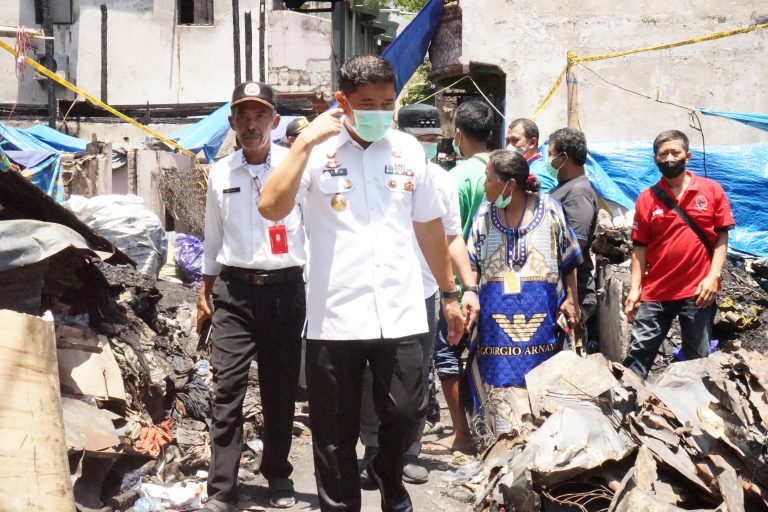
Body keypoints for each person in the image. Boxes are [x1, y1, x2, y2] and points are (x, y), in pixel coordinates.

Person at [258, 55, 468, 512]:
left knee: (407, 410)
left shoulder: (408, 150)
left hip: (402, 309)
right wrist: (302, 144)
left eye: (387, 103)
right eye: (367, 103)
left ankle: (387, 473)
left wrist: (450, 292)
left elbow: (429, 225)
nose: (379, 112)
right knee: (334, 436)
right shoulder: (315, 152)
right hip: (335, 316)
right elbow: (271, 207)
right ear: (343, 101)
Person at [196, 82, 306, 511]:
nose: (251, 124)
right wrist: (204, 292)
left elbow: (313, 232)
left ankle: (277, 473)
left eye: (260, 115)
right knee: (226, 389)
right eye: (243, 115)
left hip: (285, 292)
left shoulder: (296, 168)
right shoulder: (221, 172)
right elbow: (212, 238)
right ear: (232, 122)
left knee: (280, 389)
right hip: (234, 293)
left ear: (274, 121)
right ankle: (222, 489)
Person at [358, 103, 480, 485]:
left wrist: (467, 288)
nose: (426, 145)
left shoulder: (442, 181)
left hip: (423, 293)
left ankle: (408, 451)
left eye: (432, 138)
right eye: (419, 138)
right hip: (376, 291)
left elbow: (453, 238)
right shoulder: (375, 172)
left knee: (415, 377)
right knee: (369, 377)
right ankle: (373, 449)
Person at [468, 149, 582, 434]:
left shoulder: (550, 209)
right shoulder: (484, 213)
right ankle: (501, 441)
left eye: (488, 178)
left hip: (542, 319)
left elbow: (569, 260)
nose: (484, 185)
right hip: (495, 324)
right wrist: (469, 295)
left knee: (543, 377)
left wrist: (572, 299)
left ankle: (544, 438)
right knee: (497, 379)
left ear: (509, 185)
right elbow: (472, 262)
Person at [623, 130, 734, 379]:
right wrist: (634, 289)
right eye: (663, 154)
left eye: (675, 152)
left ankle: (695, 403)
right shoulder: (646, 199)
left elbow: (721, 238)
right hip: (656, 292)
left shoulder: (711, 191)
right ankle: (628, 401)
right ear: (655, 159)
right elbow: (639, 248)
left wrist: (713, 277)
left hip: (697, 292)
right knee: (637, 358)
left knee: (698, 361)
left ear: (688, 156)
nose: (669, 158)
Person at [421, 100, 492, 456]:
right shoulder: (505, 168)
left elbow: (449, 237)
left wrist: (452, 289)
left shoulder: (455, 178)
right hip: (498, 282)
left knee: (448, 353)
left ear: (458, 134)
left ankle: (461, 433)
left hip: (459, 282)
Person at [547, 128, 599, 350]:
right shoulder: (564, 188)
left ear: (564, 157)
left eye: (551, 154)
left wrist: (572, 299)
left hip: (573, 295)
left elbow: (574, 249)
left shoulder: (578, 192)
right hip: (561, 292)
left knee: (567, 357)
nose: (548, 160)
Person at [506, 118, 557, 192]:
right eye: (507, 141)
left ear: (532, 143)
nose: (509, 146)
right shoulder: (523, 169)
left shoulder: (538, 175)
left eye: (515, 140)